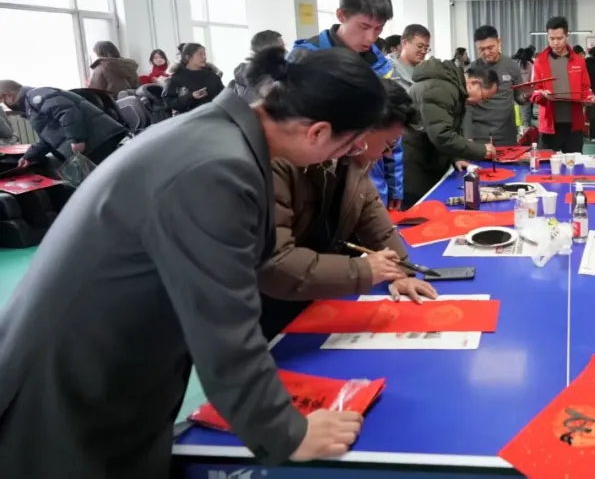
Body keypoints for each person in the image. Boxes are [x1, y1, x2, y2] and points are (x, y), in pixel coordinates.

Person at [0, 47, 388, 475]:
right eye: (349, 144)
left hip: (112, 366)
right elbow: (224, 323)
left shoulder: (220, 135)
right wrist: (288, 432)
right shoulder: (217, 167)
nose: (344, 156)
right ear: (318, 132)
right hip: (68, 391)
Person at [259, 80, 436, 339]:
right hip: (267, 301)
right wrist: (364, 271)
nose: (387, 154)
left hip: (313, 285)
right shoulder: (282, 159)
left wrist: (401, 271)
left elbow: (372, 214)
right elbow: (276, 262)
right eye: (387, 144)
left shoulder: (354, 159)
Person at [289, 0, 403, 209]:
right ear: (341, 15)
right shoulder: (306, 58)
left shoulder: (381, 66)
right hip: (319, 185)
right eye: (363, 27)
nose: (371, 38)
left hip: (372, 181)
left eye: (378, 29)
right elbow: (288, 129)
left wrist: (395, 183)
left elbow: (391, 130)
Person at [403, 61, 498, 205]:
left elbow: (445, 126)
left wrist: (456, 157)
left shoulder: (453, 89)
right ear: (474, 83)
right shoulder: (442, 89)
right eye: (484, 97)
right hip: (417, 164)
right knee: (420, 211)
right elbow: (442, 135)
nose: (480, 102)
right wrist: (482, 150)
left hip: (428, 158)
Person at [0, 81, 128, 168]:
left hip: (100, 142)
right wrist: (29, 156)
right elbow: (48, 137)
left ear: (9, 95)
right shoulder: (31, 105)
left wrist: (77, 139)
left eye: (2, 101)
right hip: (95, 144)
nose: (4, 105)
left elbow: (67, 112)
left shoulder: (37, 96)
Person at [530, 16, 594, 153]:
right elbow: (534, 92)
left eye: (559, 38)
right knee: (546, 163)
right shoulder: (540, 62)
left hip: (574, 124)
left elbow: (586, 88)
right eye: (551, 38)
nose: (555, 43)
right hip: (549, 124)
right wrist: (542, 95)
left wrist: (589, 97)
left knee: (574, 163)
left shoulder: (579, 61)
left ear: (567, 36)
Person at [467, 25, 530, 147]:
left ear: (499, 42)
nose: (486, 53)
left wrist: (527, 95)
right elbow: (467, 107)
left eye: (490, 47)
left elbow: (519, 98)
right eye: (481, 49)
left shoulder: (512, 66)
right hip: (480, 136)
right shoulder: (471, 70)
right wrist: (468, 137)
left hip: (506, 134)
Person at [163, 42, 225, 114]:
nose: (204, 57)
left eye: (204, 54)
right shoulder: (175, 78)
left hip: (212, 116)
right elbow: (169, 103)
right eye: (200, 54)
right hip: (187, 118)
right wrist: (190, 96)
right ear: (188, 57)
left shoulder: (212, 76)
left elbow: (223, 96)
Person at [232, 30, 284, 103]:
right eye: (281, 48)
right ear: (266, 51)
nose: (286, 52)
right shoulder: (259, 82)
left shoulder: (268, 74)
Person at [388, 24, 430, 90]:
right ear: (404, 43)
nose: (423, 52)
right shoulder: (387, 68)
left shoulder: (427, 71)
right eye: (420, 46)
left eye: (426, 48)